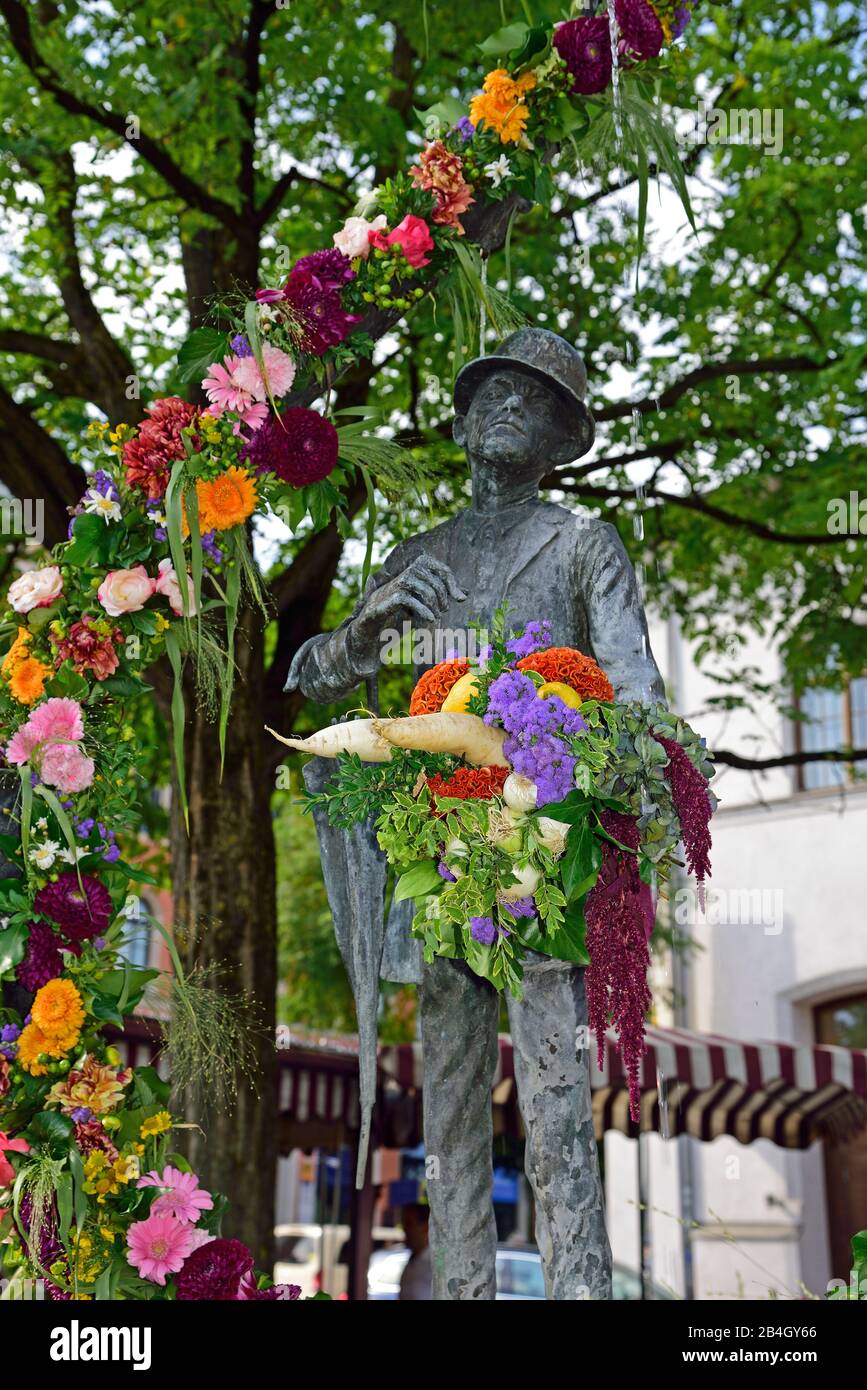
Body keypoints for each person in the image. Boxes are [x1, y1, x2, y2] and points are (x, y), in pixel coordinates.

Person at [287, 327, 664, 1300]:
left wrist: (591, 778)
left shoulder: (583, 546)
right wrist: (361, 640)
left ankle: (579, 1288)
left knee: (554, 1104)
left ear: (562, 437)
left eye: (531, 397)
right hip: (439, 869)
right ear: (459, 422)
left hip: (543, 862)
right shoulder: (418, 556)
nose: (504, 405)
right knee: (446, 1113)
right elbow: (308, 678)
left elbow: (640, 696)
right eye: (489, 391)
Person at [398, 1203, 432, 1301]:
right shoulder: (411, 1263)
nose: (405, 1230)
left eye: (409, 1224)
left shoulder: (438, 1264)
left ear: (426, 1227)